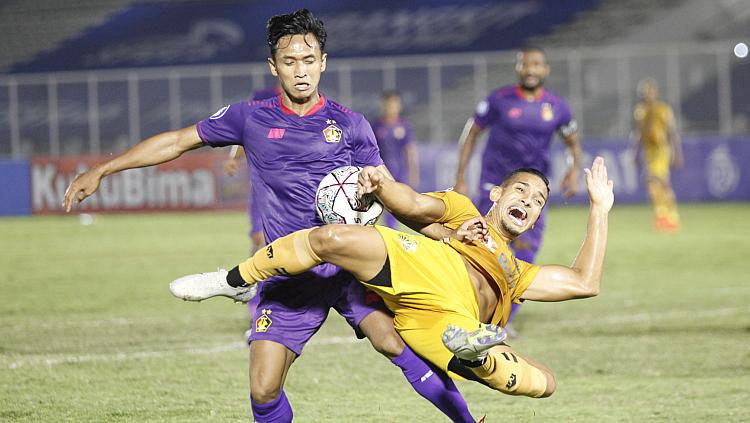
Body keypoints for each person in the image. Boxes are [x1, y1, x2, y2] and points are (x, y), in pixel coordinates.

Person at [64, 9, 476, 423]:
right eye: (290, 61)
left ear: (323, 62)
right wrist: (103, 169)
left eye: (309, 60)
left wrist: (446, 235)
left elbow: (397, 197)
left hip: (351, 266)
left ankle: (468, 421)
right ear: (273, 66)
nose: (301, 71)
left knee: (392, 342)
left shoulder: (351, 124)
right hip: (286, 273)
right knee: (263, 389)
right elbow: (176, 141)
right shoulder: (251, 117)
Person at [172, 157, 613, 399]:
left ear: (535, 219)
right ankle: (236, 279)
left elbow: (584, 281)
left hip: (445, 321)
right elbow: (412, 204)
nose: (528, 201)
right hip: (428, 269)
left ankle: (476, 355)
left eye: (537, 201)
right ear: (496, 194)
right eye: (521, 190)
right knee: (332, 237)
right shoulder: (463, 211)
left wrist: (599, 209)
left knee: (547, 382)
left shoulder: (519, 274)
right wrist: (383, 185)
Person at [453, 46, 582, 334]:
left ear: (545, 69)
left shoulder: (557, 107)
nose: (530, 69)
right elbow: (472, 132)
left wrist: (573, 170)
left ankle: (502, 318)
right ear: (518, 68)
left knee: (524, 253)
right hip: (495, 187)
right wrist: (461, 175)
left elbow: (573, 141)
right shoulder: (499, 100)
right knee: (480, 245)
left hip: (532, 194)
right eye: (525, 64)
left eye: (536, 64)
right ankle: (466, 307)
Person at [632, 78, 683, 232]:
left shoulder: (663, 109)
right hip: (649, 151)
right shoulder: (640, 111)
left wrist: (677, 153)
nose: (646, 95)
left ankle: (672, 216)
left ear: (655, 93)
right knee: (653, 185)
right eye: (644, 93)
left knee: (659, 181)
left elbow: (672, 132)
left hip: (661, 150)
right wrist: (635, 152)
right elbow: (639, 134)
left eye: (649, 92)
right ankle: (663, 216)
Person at [373, 91, 420, 228]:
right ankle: (390, 229)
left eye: (394, 104)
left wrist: (414, 172)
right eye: (388, 104)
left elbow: (410, 150)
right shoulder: (376, 126)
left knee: (405, 203)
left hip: (401, 172)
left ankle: (411, 229)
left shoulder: (404, 125)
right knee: (387, 204)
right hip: (383, 171)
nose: (391, 107)